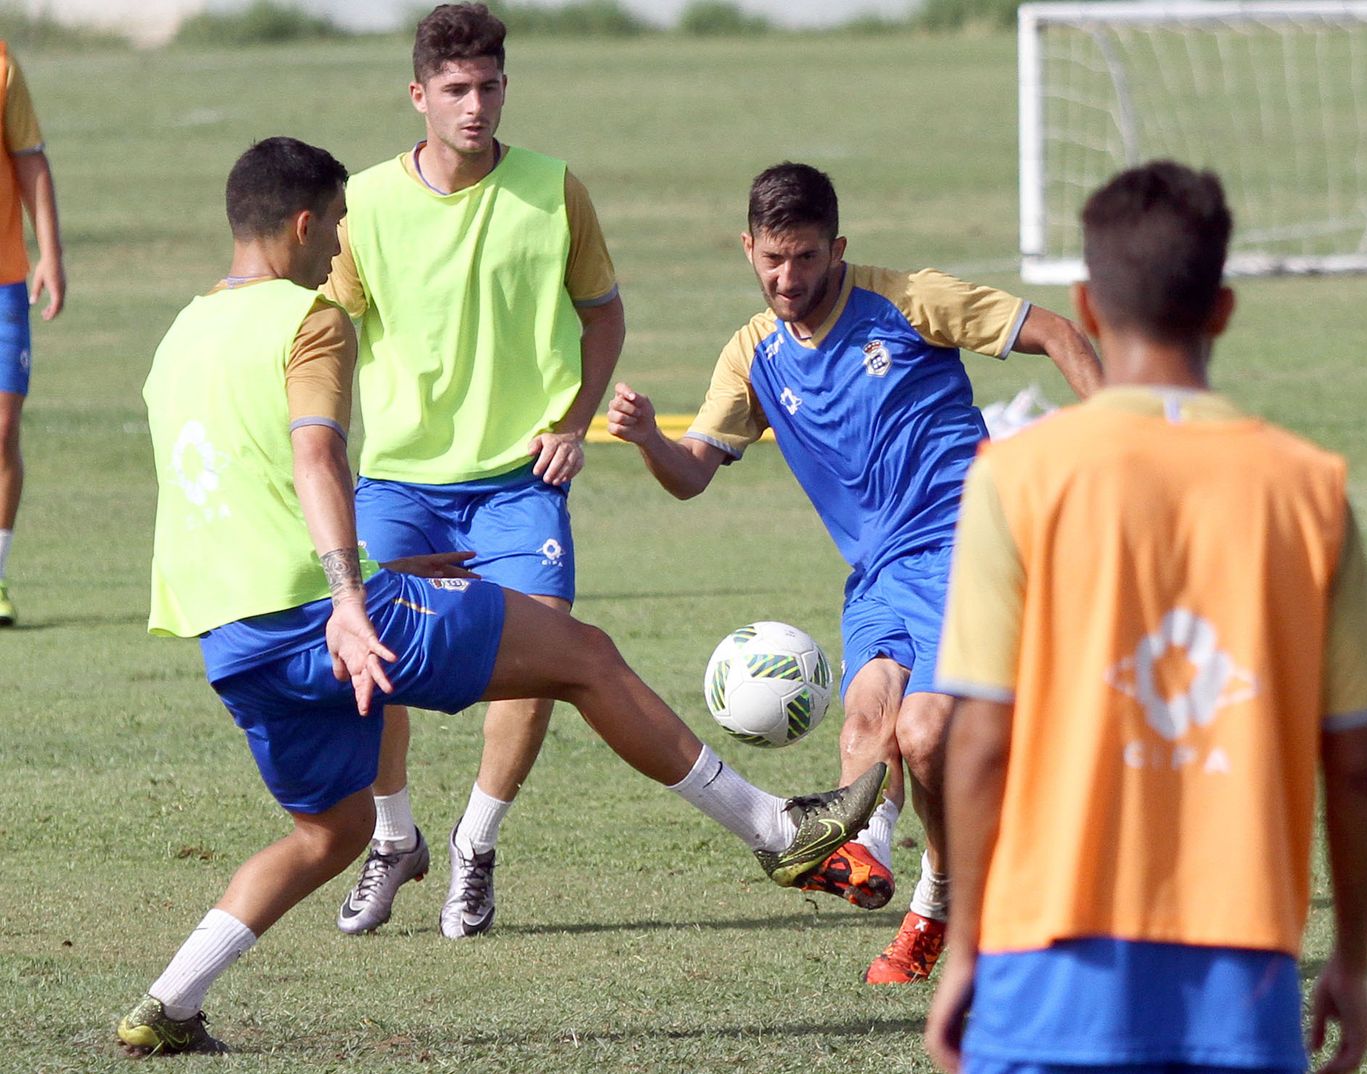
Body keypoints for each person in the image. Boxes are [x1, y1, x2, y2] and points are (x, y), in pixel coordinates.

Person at [114, 136, 886, 1057]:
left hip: (230, 635)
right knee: (584, 658)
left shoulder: (177, 336)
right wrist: (353, 597)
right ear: (304, 222)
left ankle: (167, 1003)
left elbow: (240, 495)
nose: (340, 250)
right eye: (336, 229)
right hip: (322, 614)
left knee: (334, 831)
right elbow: (317, 457)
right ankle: (775, 830)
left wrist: (380, 574)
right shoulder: (309, 319)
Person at [923, 160, 1367, 1074]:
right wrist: (1350, 958)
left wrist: (967, 948)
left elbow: (981, 740)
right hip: (1239, 973)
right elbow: (1355, 761)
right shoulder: (1307, 489)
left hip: (1043, 964)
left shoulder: (1018, 479)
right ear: (1221, 308)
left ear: (1086, 305)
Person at [606, 161, 1102, 984]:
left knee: (926, 731)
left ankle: (940, 904)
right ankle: (864, 856)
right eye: (771, 259)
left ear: (837, 249)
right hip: (877, 574)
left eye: (804, 258)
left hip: (971, 547)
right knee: (868, 713)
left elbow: (1058, 332)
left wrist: (1119, 433)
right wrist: (651, 439)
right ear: (747, 249)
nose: (786, 277)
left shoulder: (908, 301)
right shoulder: (753, 353)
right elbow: (693, 473)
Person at [319, 2, 627, 940]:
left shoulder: (554, 189)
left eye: (490, 85)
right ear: (419, 95)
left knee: (543, 659)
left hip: (515, 482)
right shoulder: (363, 204)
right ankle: (395, 836)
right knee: (363, 651)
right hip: (402, 481)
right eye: (455, 88)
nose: (475, 104)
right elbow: (326, 336)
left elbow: (604, 316)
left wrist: (574, 422)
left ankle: (475, 847)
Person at [0, 39, 65, 627]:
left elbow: (30, 160)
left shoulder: (1, 64)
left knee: (2, 428)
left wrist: (49, 252)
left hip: (3, 282)